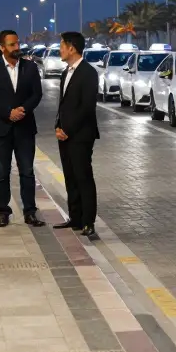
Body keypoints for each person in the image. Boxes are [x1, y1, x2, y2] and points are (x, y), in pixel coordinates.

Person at [0, 30, 45, 228]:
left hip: (24, 128)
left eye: (17, 44)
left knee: (27, 172)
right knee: (1, 172)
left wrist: (23, 109)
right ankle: (3, 212)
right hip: (1, 129)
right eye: (12, 45)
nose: (17, 48)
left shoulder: (30, 67)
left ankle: (30, 212)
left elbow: (36, 94)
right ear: (2, 47)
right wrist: (8, 112)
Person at [52, 31, 100, 239]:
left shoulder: (88, 72)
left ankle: (88, 222)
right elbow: (63, 104)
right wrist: (58, 126)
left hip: (81, 135)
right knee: (70, 177)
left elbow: (86, 107)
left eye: (62, 45)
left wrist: (68, 130)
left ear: (71, 48)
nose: (60, 49)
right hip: (64, 134)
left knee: (83, 178)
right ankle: (75, 217)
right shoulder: (66, 72)